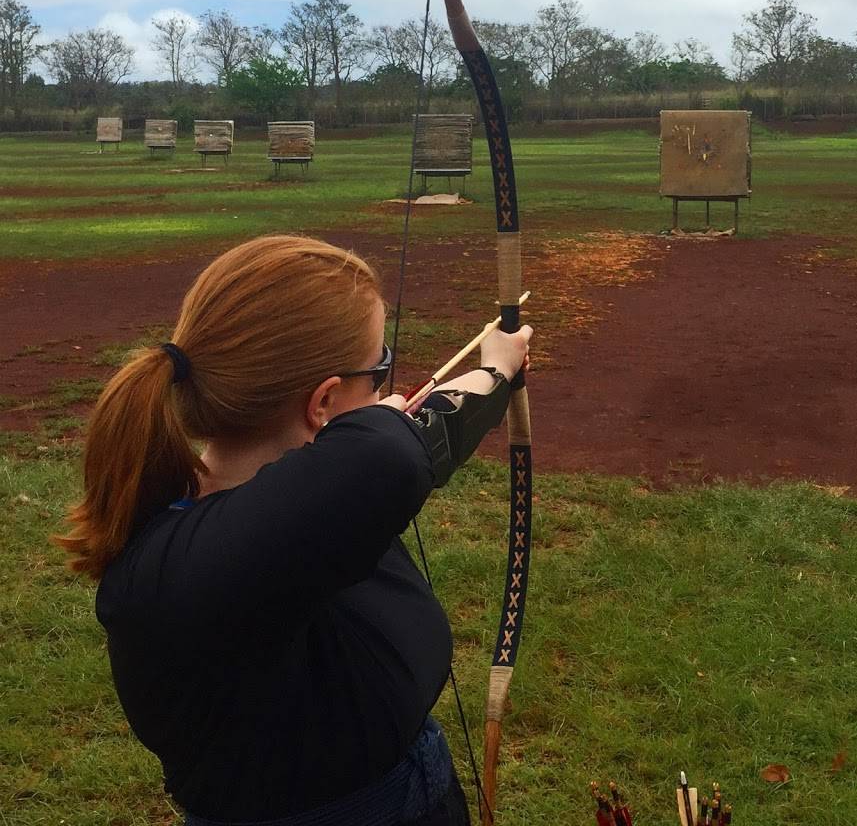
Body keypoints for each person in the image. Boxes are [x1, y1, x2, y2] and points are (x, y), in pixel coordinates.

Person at [55, 234, 532, 826]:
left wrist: (496, 368)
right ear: (324, 400)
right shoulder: (187, 570)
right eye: (378, 367)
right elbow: (387, 458)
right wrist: (383, 428)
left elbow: (406, 440)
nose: (388, 385)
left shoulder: (306, 504)